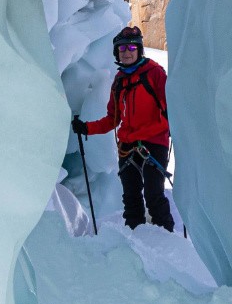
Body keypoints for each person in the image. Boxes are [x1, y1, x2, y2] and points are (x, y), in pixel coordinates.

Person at [71, 26, 174, 232]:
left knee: (154, 195)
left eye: (131, 47)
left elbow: (171, 106)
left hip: (154, 144)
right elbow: (112, 119)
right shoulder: (119, 81)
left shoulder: (155, 74)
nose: (126, 52)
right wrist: (87, 128)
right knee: (131, 198)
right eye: (122, 49)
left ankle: (167, 238)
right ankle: (136, 237)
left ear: (139, 50)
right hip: (127, 148)